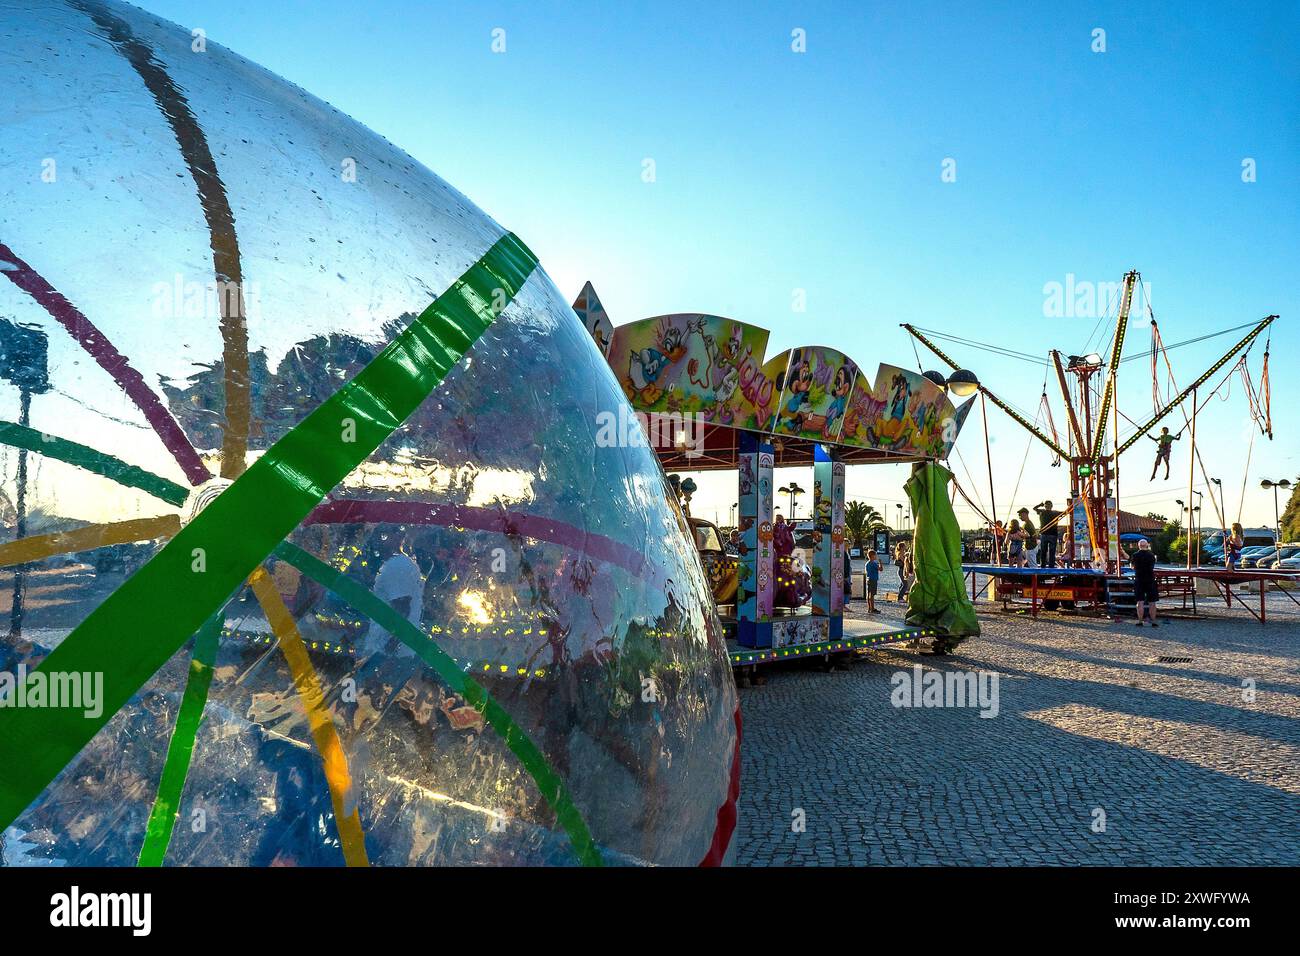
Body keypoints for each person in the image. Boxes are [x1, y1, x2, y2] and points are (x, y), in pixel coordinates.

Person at [1129, 538, 1159, 627]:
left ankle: (1140, 621)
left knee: (1140, 602)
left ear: (1139, 546)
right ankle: (1153, 621)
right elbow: (1153, 566)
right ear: (1147, 545)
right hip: (1150, 579)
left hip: (1139, 579)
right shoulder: (1151, 555)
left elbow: (1132, 567)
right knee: (1152, 602)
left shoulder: (1135, 555)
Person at [1035, 501, 1061, 567]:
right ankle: (1051, 566)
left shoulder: (1042, 511)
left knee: (1044, 551)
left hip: (1045, 534)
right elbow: (1065, 513)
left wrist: (1040, 505)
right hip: (1052, 534)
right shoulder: (1055, 512)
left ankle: (1043, 565)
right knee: (1051, 552)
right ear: (1051, 506)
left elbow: (1034, 508)